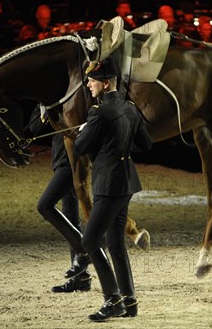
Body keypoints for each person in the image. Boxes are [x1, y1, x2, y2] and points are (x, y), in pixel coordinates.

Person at [74, 57, 153, 321]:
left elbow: (80, 147)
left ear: (105, 84)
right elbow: (145, 143)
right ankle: (129, 301)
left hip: (108, 185)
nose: (88, 84)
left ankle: (113, 300)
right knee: (115, 243)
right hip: (126, 182)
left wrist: (86, 129)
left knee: (89, 241)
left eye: (92, 81)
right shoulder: (129, 108)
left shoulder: (99, 113)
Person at [26, 104, 90, 293]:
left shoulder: (71, 99)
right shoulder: (46, 101)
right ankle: (81, 277)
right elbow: (33, 127)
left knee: (44, 205)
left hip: (71, 163)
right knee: (70, 218)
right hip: (60, 160)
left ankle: (86, 251)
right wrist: (44, 114)